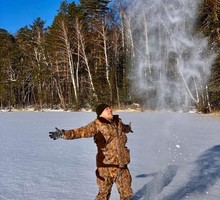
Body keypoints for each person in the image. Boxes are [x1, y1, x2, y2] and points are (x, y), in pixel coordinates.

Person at [49, 103, 133, 200]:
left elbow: (124, 128)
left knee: (127, 195)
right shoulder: (97, 125)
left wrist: (128, 128)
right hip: (106, 167)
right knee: (103, 195)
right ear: (101, 113)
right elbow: (80, 132)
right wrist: (63, 134)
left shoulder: (117, 122)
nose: (110, 110)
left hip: (122, 166)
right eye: (107, 109)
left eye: (110, 108)